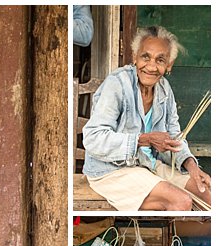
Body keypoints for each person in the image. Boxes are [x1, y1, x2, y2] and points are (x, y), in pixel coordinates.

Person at [82, 26, 211, 211]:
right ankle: (169, 240)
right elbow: (93, 138)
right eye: (145, 57)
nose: (151, 66)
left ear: (169, 65)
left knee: (208, 196)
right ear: (134, 57)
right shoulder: (117, 84)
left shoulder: (165, 90)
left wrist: (191, 166)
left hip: (148, 165)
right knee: (180, 201)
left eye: (160, 60)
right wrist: (145, 140)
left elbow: (175, 136)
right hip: (112, 170)